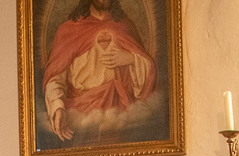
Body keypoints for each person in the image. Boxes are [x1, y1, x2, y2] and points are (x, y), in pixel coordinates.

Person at [42, 0, 156, 142]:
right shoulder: (69, 30)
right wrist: (57, 107)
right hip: (81, 116)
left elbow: (150, 70)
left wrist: (132, 59)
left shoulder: (125, 27)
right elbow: (55, 77)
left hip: (121, 114)